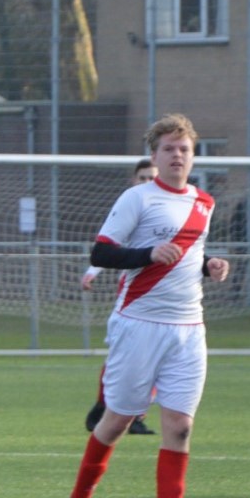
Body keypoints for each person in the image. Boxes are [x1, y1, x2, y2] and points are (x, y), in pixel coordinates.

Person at [48, 114, 230, 498]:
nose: (176, 155)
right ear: (155, 154)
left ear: (193, 154)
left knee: (181, 427)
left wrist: (210, 266)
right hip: (139, 324)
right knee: (117, 421)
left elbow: (190, 254)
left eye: (184, 148)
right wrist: (148, 253)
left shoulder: (204, 202)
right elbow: (101, 251)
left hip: (189, 328)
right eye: (168, 148)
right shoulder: (138, 197)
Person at [82, 158, 159, 437]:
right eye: (142, 178)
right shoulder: (133, 207)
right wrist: (92, 272)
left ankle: (135, 414)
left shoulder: (173, 210)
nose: (147, 183)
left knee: (157, 359)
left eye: (152, 177)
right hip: (135, 293)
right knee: (123, 355)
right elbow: (110, 245)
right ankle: (105, 406)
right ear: (133, 181)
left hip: (166, 299)